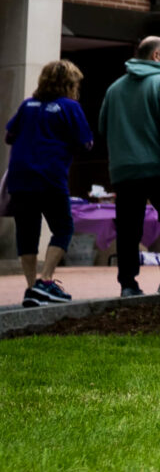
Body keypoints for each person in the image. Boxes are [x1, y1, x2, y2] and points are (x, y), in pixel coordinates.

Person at [98, 37, 160, 297]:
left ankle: (128, 284)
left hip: (124, 170)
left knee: (129, 227)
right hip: (159, 167)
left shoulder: (114, 89)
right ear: (156, 56)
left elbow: (103, 127)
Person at [10, 60, 90, 306]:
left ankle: (31, 286)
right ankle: (45, 281)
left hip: (20, 178)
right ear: (70, 84)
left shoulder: (27, 105)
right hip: (50, 177)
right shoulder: (70, 107)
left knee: (27, 232)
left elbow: (9, 135)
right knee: (63, 227)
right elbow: (85, 143)